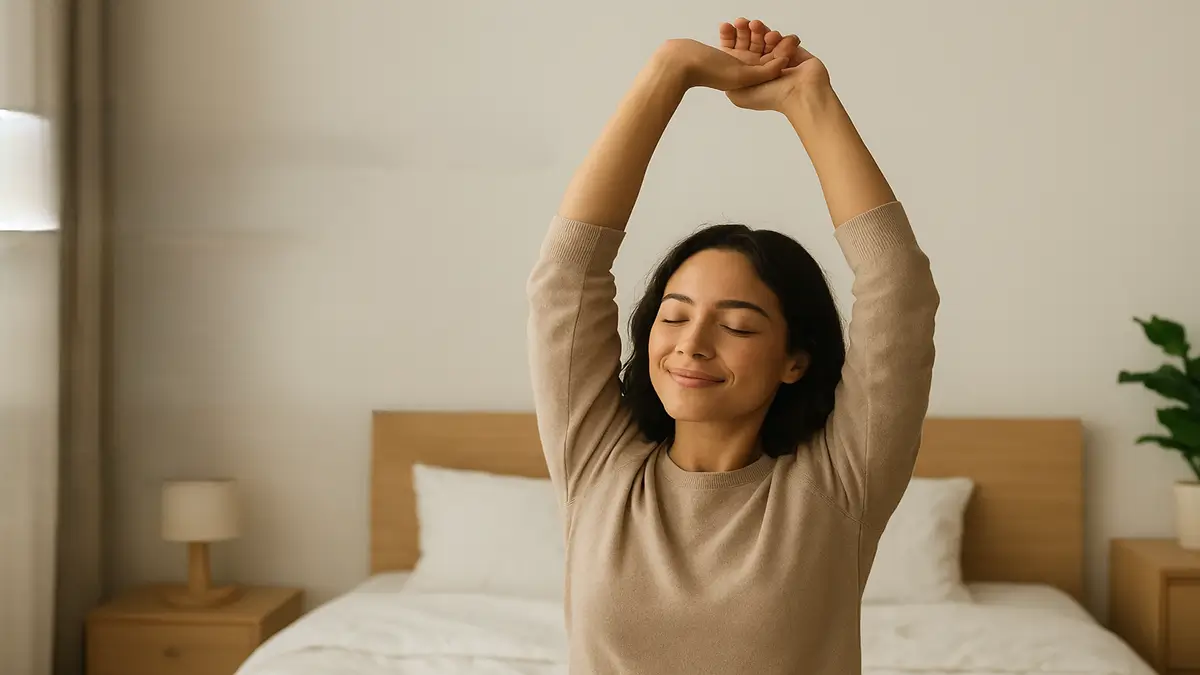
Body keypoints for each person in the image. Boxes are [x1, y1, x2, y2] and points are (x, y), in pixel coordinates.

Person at [526, 17, 938, 675]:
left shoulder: (837, 487)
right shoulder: (597, 465)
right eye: (674, 315)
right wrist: (667, 73)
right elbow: (566, 277)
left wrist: (812, 101)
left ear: (795, 358)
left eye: (738, 325)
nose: (691, 343)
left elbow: (900, 289)